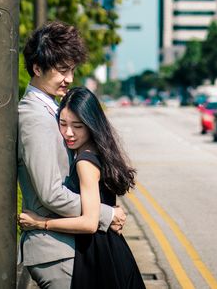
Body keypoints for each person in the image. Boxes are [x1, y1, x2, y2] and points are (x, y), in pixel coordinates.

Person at [18, 22, 126, 288]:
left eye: (72, 71)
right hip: (54, 253)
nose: (69, 79)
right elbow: (50, 192)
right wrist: (105, 214)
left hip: (65, 247)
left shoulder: (52, 109)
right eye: (62, 71)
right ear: (37, 68)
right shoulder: (35, 117)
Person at [20, 87, 145, 289]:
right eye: (62, 124)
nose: (68, 133)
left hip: (99, 255)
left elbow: (89, 223)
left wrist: (42, 223)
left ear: (90, 124)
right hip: (111, 249)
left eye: (77, 126)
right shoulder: (99, 150)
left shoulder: (84, 163)